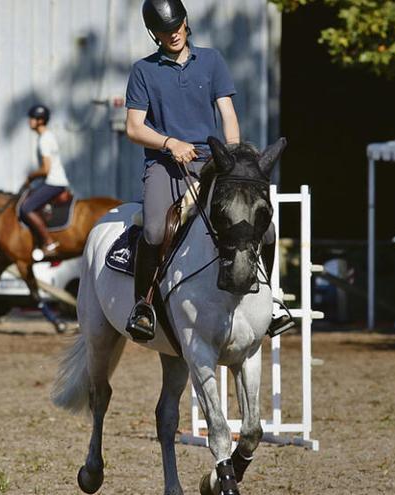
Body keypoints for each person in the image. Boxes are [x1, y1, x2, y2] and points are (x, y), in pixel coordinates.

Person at [123, 0, 292, 341]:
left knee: (266, 230)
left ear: (186, 23)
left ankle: (272, 302)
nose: (173, 35)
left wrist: (233, 158)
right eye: (164, 31)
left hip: (215, 160)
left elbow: (227, 114)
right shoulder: (143, 70)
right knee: (155, 231)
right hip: (165, 164)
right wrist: (170, 143)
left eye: (177, 27)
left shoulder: (212, 60)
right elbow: (134, 128)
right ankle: (143, 305)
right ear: (153, 34)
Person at [20, 104, 70, 260]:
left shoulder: (44, 140)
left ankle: (49, 242)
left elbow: (46, 169)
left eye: (32, 118)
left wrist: (30, 177)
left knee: (26, 208)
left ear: (40, 120)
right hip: (55, 181)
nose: (30, 121)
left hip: (53, 182)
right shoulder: (48, 136)